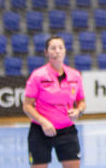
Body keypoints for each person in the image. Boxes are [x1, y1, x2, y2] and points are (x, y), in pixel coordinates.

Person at [23, 36, 86, 168]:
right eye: (53, 48)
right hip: (40, 131)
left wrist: (78, 111)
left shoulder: (75, 75)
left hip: (67, 131)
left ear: (65, 51)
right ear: (46, 52)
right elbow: (27, 106)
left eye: (60, 48)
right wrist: (43, 122)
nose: (57, 51)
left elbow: (82, 102)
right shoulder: (38, 75)